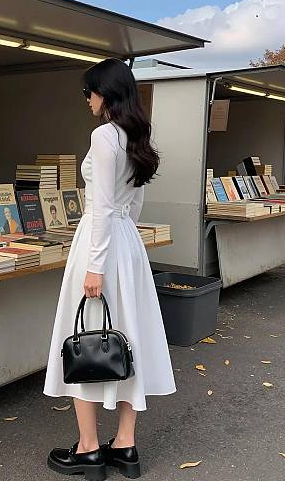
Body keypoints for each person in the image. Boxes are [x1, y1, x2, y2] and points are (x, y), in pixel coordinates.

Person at [44, 58, 175, 480]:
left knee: (84, 339)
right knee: (127, 339)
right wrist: (121, 243)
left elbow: (100, 205)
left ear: (107, 92)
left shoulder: (104, 136)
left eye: (89, 91)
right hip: (127, 244)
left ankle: (87, 449)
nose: (88, 99)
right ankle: (125, 445)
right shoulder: (136, 136)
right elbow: (132, 203)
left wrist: (96, 265)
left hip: (99, 245)